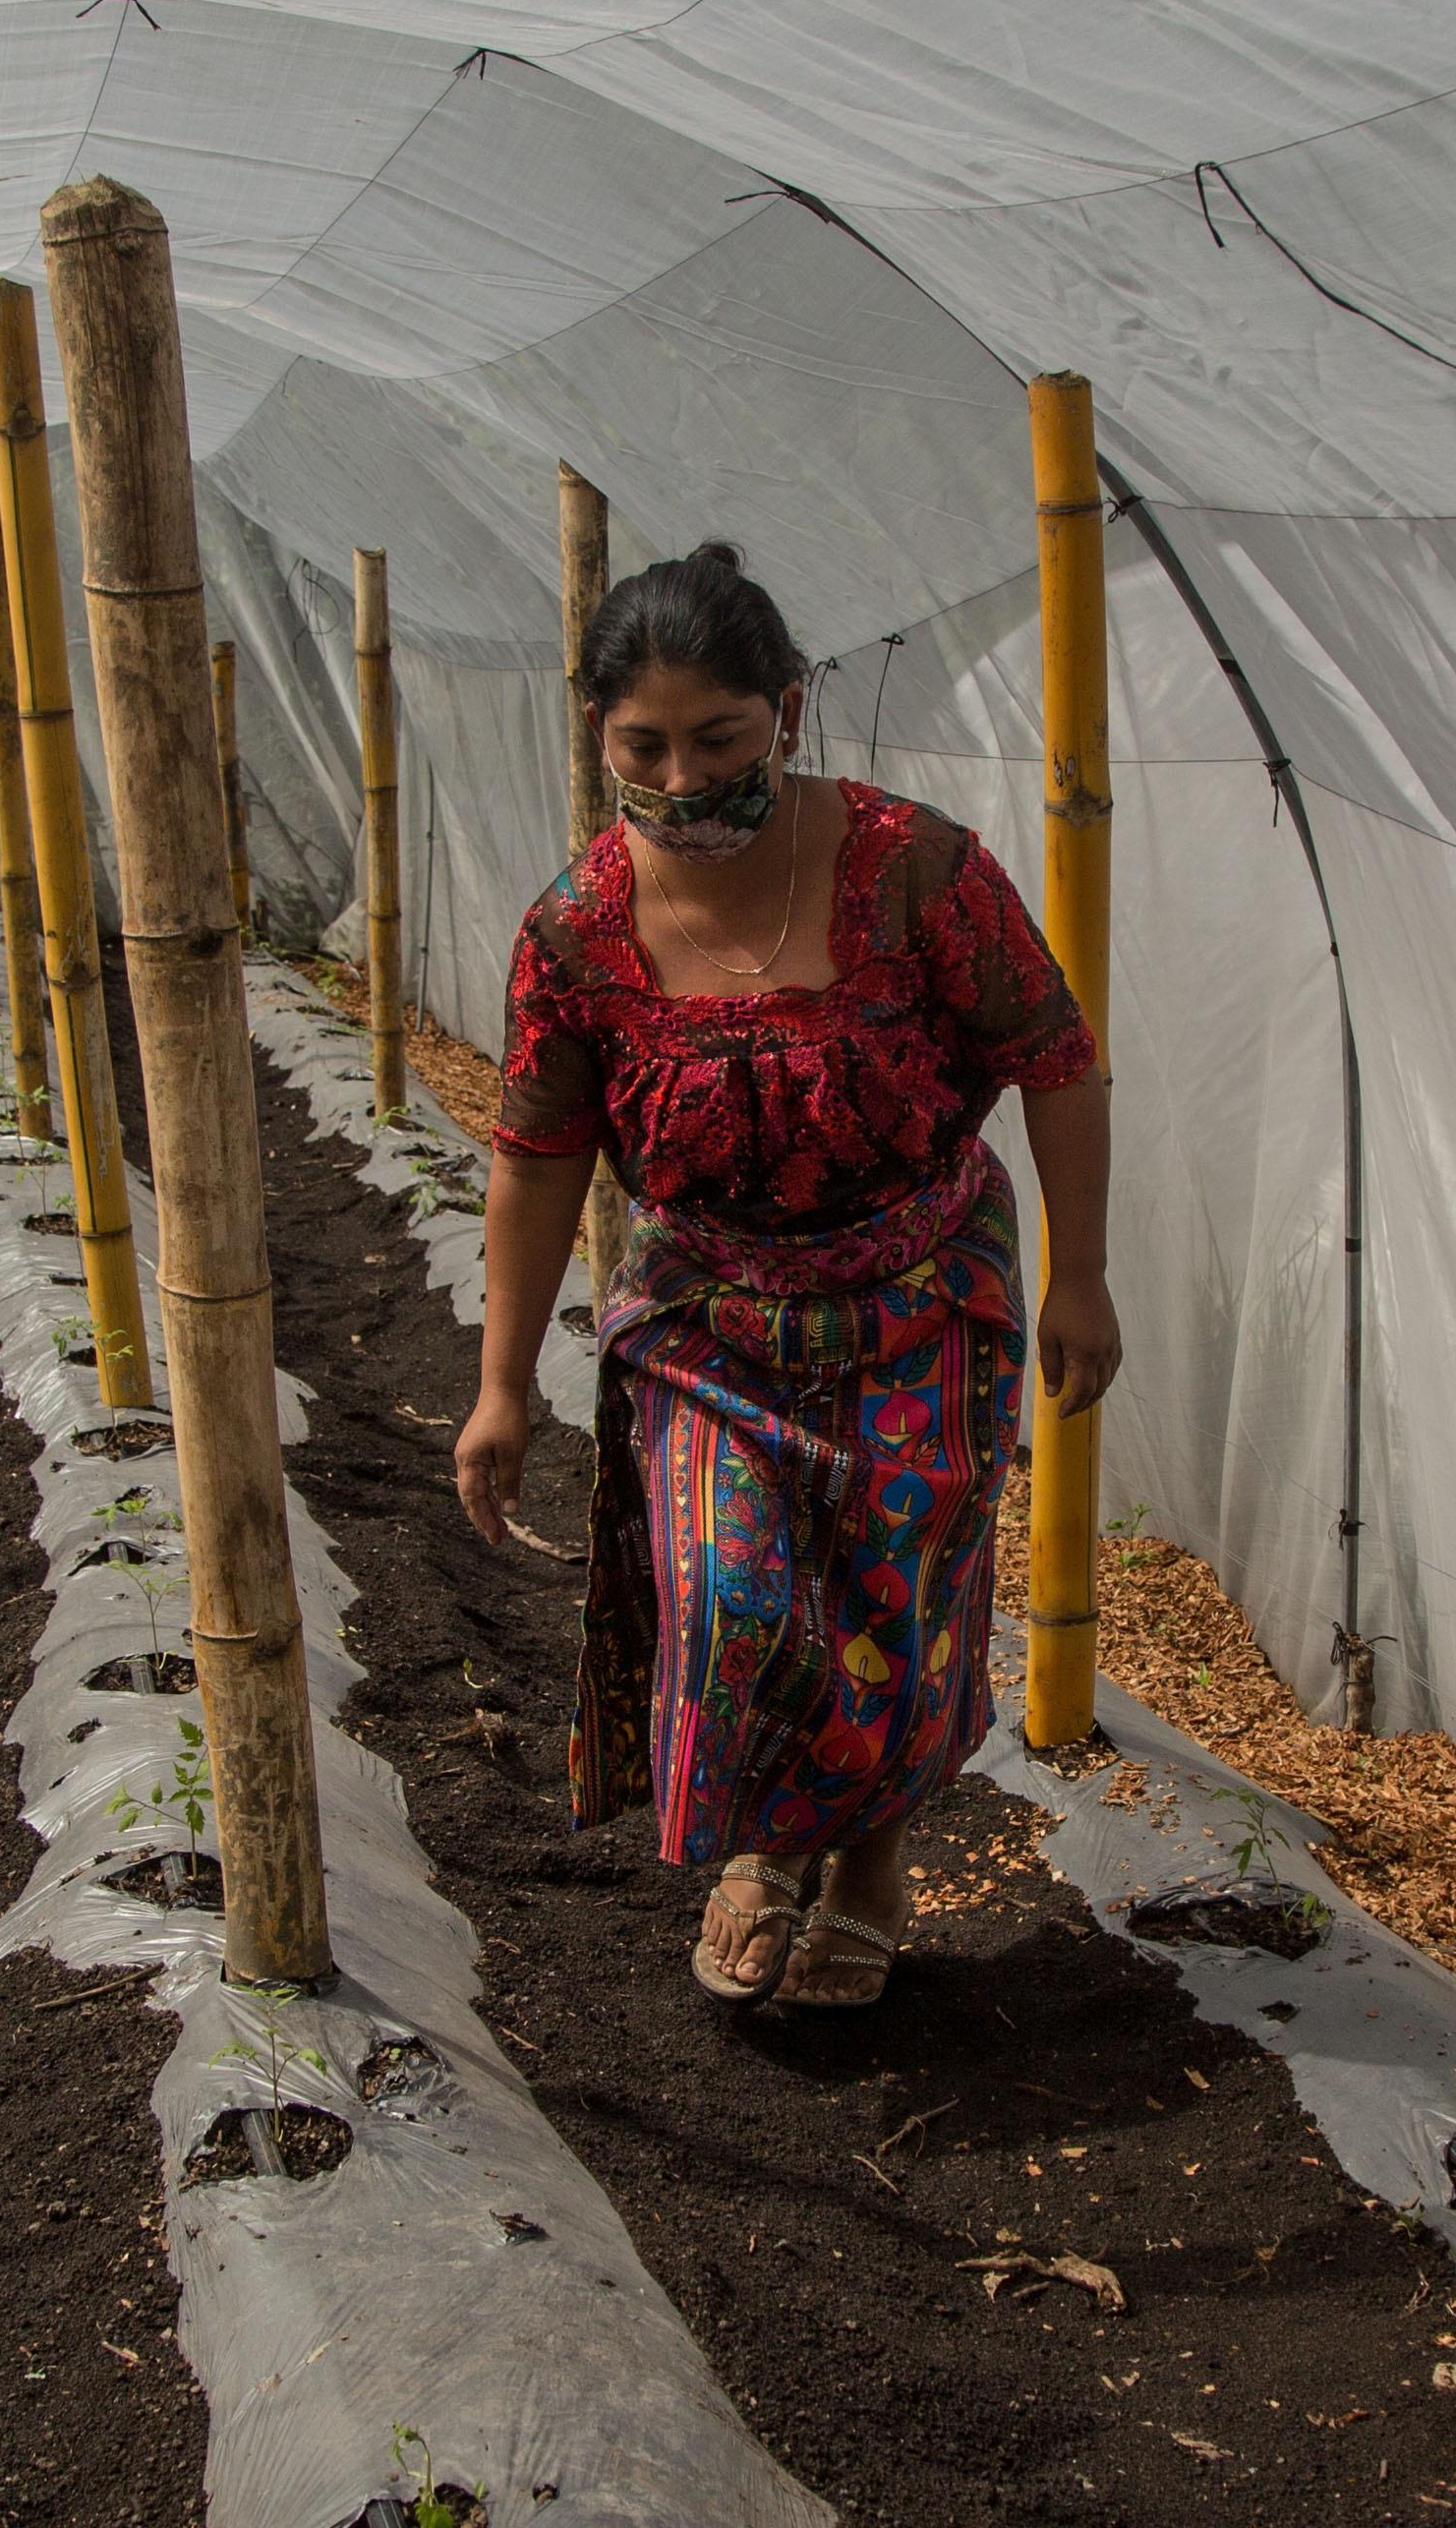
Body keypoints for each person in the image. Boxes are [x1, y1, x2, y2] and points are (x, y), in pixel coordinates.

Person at [453, 543, 1116, 2010]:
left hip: (923, 1294)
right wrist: (501, 1387)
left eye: (719, 739)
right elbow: (538, 1152)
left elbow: (1054, 1058)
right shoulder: (576, 930)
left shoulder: (913, 867)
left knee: (893, 1604)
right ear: (599, 736)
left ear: (789, 713)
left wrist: (1083, 1275)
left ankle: (869, 1861)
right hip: (710, 1312)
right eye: (644, 746)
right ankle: (759, 1846)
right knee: (731, 1595)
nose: (684, 780)